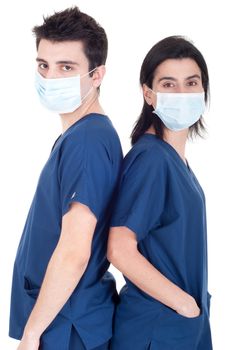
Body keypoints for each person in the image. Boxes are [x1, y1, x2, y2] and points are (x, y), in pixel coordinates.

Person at [9, 7, 123, 350]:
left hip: (67, 327)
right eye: (43, 65)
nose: (50, 77)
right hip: (66, 320)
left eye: (66, 67)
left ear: (97, 75)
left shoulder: (88, 141)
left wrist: (32, 334)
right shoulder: (80, 136)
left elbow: (75, 250)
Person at [107, 36, 213, 349]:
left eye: (191, 83)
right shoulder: (151, 159)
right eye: (169, 84)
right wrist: (184, 304)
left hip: (175, 326)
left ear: (203, 91)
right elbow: (119, 248)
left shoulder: (173, 158)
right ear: (149, 94)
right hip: (156, 327)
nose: (182, 93)